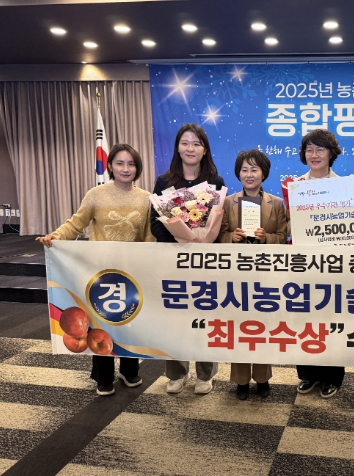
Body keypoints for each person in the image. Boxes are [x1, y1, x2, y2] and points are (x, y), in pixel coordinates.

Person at [37, 144, 155, 396]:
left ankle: (129, 370)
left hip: (132, 271)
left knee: (131, 321)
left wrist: (149, 264)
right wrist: (56, 236)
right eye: (120, 163)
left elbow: (148, 236)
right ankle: (104, 377)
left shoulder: (146, 198)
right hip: (100, 271)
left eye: (131, 164)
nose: (126, 169)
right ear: (110, 166)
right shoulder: (96, 194)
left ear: (138, 168)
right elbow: (76, 224)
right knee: (101, 322)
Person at [151, 123, 225, 395]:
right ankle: (176, 373)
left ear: (204, 149)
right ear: (177, 148)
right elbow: (155, 224)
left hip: (204, 262)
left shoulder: (216, 183)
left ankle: (205, 374)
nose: (190, 148)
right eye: (185, 143)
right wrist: (183, 238)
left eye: (196, 143)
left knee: (204, 316)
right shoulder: (164, 182)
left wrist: (202, 240)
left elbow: (219, 225)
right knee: (175, 317)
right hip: (173, 260)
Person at [219, 149, 287, 400]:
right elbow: (218, 236)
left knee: (262, 326)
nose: (249, 174)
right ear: (238, 173)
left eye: (254, 169)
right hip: (236, 275)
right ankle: (240, 380)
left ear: (263, 174)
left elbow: (283, 237)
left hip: (265, 275)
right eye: (244, 169)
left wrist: (266, 238)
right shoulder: (227, 202)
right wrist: (231, 237)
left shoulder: (276, 203)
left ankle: (262, 377)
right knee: (239, 327)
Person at [284, 129, 346, 398]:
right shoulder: (295, 186)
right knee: (304, 317)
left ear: (331, 153)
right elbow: (288, 226)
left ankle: (332, 376)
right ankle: (308, 373)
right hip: (303, 263)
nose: (314, 154)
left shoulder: (344, 187)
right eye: (309, 149)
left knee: (331, 319)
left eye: (320, 149)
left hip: (333, 264)